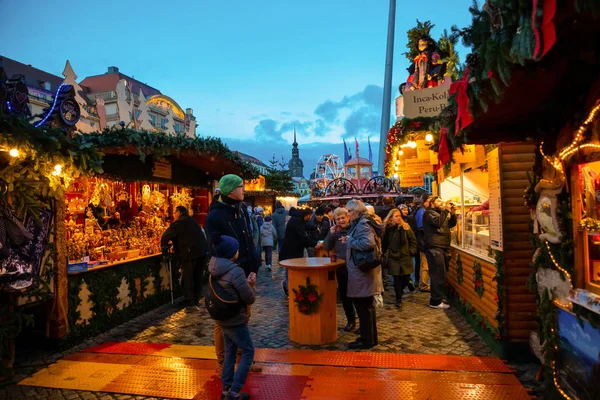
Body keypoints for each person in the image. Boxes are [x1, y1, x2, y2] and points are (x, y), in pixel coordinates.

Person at [205, 174, 261, 373]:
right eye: (240, 186)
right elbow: (214, 247)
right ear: (230, 190)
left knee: (243, 317)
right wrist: (230, 268)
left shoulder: (242, 209)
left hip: (245, 272)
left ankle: (242, 358)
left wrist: (254, 267)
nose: (244, 189)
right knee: (223, 320)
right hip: (226, 276)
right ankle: (222, 363)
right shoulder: (215, 216)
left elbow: (250, 240)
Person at [208, 233, 255, 400]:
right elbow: (249, 297)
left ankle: (226, 390)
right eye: (236, 249)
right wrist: (249, 284)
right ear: (231, 252)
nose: (238, 251)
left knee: (229, 352)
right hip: (234, 317)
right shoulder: (235, 271)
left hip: (221, 316)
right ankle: (235, 391)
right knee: (248, 351)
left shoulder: (213, 267)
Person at [345, 199, 384, 349]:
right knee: (367, 307)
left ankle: (366, 340)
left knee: (363, 307)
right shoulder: (365, 222)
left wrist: (350, 241)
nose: (348, 215)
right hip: (364, 271)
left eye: (350, 212)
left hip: (362, 271)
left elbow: (368, 243)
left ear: (357, 211)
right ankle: (371, 338)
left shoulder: (362, 224)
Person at [160, 205, 207, 312]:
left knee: (188, 276)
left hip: (190, 252)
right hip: (201, 251)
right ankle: (195, 298)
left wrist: (163, 247)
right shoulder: (192, 220)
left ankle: (189, 301)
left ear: (179, 212)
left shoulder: (179, 223)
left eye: (174, 213)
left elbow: (166, 236)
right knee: (197, 276)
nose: (173, 215)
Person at [321, 207, 356, 331]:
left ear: (348, 217)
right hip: (341, 268)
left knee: (357, 296)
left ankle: (361, 320)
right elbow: (326, 246)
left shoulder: (354, 229)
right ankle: (351, 320)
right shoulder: (335, 231)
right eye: (338, 218)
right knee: (345, 296)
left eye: (343, 218)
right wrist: (331, 234)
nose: (341, 220)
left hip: (355, 267)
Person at [423, 196, 457, 309]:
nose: (441, 202)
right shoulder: (429, 213)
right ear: (432, 203)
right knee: (438, 274)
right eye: (438, 201)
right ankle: (435, 301)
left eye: (442, 201)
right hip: (434, 247)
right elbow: (437, 223)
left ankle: (438, 298)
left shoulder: (440, 213)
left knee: (441, 274)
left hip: (442, 246)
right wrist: (446, 210)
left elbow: (450, 224)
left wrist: (452, 213)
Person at [382, 209, 417, 309]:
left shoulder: (406, 227)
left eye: (399, 216)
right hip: (394, 257)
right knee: (396, 279)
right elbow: (385, 243)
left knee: (406, 278)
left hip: (405, 256)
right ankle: (398, 299)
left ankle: (401, 290)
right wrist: (383, 254)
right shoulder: (388, 229)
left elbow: (413, 240)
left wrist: (412, 250)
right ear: (391, 218)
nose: (398, 218)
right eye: (396, 216)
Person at [279, 207, 317, 297]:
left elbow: (305, 225)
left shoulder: (298, 218)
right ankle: (289, 289)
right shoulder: (297, 221)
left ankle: (289, 287)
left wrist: (315, 227)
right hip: (291, 250)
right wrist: (314, 244)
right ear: (308, 215)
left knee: (292, 270)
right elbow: (303, 237)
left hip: (293, 250)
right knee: (290, 271)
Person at [414, 196, 431, 291]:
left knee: (424, 264)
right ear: (425, 202)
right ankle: (423, 284)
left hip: (424, 241)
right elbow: (421, 228)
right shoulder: (421, 212)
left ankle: (422, 282)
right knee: (424, 264)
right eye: (428, 201)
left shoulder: (424, 211)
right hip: (423, 242)